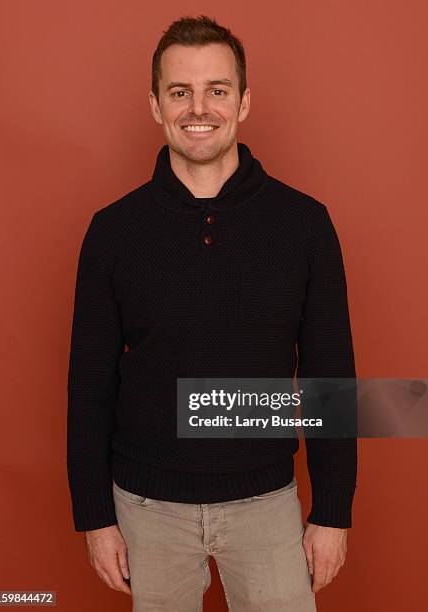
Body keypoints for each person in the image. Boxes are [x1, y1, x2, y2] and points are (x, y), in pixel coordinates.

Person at [67, 14, 357, 612]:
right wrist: (93, 518)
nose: (199, 108)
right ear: (155, 105)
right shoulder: (112, 231)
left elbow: (331, 376)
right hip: (146, 512)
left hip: (267, 504)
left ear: (244, 102)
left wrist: (333, 511)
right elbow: (89, 383)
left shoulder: (304, 224)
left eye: (217, 90)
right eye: (180, 92)